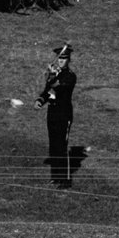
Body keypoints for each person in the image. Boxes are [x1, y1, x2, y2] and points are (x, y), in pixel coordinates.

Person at [39, 42, 77, 188]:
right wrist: (40, 100)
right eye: (59, 59)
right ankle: (55, 177)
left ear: (68, 60)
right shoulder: (54, 75)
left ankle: (65, 180)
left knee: (61, 146)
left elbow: (59, 88)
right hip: (52, 114)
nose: (61, 61)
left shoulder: (70, 76)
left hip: (64, 114)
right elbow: (48, 91)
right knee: (53, 146)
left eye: (64, 59)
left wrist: (52, 76)